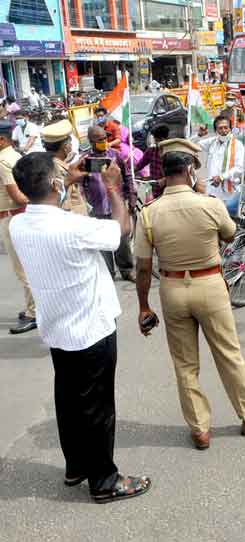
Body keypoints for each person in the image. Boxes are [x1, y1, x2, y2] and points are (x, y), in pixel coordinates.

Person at [9, 152, 151, 503]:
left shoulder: (19, 224)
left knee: (70, 400)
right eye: (60, 175)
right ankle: (104, 480)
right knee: (98, 408)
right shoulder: (73, 227)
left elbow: (44, 202)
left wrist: (66, 180)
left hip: (59, 328)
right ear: (55, 183)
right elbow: (121, 229)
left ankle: (77, 466)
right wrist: (114, 187)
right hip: (90, 330)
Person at [134, 139, 245, 450]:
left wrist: (143, 307)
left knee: (185, 364)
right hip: (209, 284)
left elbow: (143, 269)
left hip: (172, 289)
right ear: (189, 170)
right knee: (228, 353)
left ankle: (200, 429)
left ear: (164, 175)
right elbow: (231, 234)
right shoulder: (209, 204)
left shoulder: (149, 213)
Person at [83, 125, 135, 281]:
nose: (104, 141)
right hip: (96, 208)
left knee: (123, 240)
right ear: (91, 141)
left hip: (116, 206)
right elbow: (80, 183)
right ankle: (108, 274)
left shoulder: (115, 156)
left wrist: (131, 198)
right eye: (100, 140)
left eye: (105, 138)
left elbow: (128, 177)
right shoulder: (85, 160)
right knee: (103, 242)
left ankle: (126, 270)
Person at [0, 119, 36, 334]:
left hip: (13, 217)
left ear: (2, 139)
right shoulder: (15, 156)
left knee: (22, 269)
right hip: (21, 216)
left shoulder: (2, 161)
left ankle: (35, 312)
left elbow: (17, 196)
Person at [194, 116, 245, 216]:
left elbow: (239, 168)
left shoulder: (237, 144)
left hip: (229, 193)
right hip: (212, 191)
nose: (224, 130)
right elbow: (191, 144)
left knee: (229, 223)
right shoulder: (212, 142)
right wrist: (199, 135)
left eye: (226, 127)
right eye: (220, 128)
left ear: (230, 128)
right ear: (215, 130)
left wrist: (222, 177)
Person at [42, 119, 88, 216]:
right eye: (70, 143)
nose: (71, 146)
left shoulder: (49, 162)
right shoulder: (56, 167)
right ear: (66, 147)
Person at [135, 125, 169, 199]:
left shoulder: (172, 154)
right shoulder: (151, 151)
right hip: (155, 191)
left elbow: (177, 174)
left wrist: (164, 180)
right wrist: (130, 172)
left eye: (158, 140)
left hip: (169, 191)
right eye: (155, 140)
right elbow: (139, 165)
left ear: (164, 139)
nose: (156, 143)